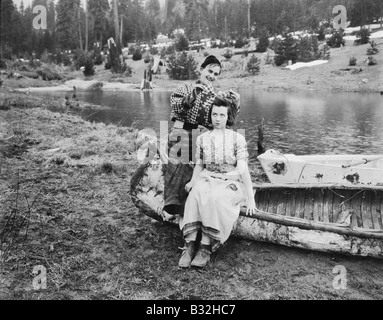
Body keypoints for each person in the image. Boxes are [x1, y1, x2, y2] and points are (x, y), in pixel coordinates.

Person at [178, 96, 257, 268]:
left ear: (228, 117)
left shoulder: (237, 139)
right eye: (214, 114)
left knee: (215, 198)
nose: (217, 119)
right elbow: (199, 165)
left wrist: (250, 198)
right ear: (210, 116)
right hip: (208, 176)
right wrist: (192, 182)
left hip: (231, 180)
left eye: (222, 115)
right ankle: (190, 245)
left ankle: (205, 247)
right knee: (195, 194)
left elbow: (243, 170)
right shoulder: (203, 138)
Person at [163, 55, 239, 215]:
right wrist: (193, 96)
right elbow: (176, 107)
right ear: (201, 69)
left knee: (201, 168)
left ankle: (193, 207)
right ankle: (171, 205)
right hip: (180, 132)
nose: (211, 76)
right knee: (178, 165)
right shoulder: (186, 87)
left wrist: (235, 104)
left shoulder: (214, 97)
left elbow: (225, 121)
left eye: (216, 74)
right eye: (210, 71)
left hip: (198, 135)